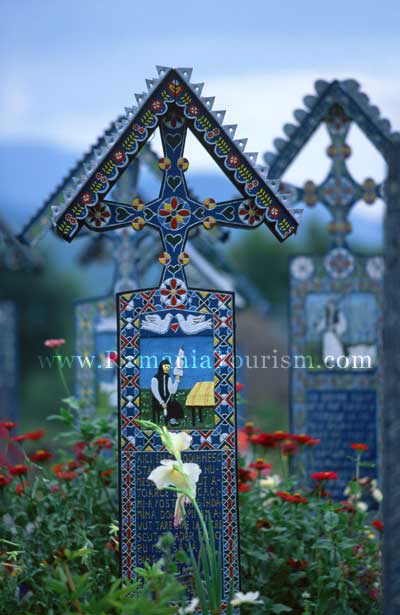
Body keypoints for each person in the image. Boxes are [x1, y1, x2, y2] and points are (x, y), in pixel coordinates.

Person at [151, 359, 184, 426]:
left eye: (168, 367)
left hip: (167, 399)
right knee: (168, 406)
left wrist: (177, 381)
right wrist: (161, 402)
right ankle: (169, 419)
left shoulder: (168, 378)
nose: (167, 368)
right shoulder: (155, 378)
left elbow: (172, 391)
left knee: (175, 404)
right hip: (158, 400)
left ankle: (172, 419)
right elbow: (155, 392)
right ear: (161, 367)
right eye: (165, 366)